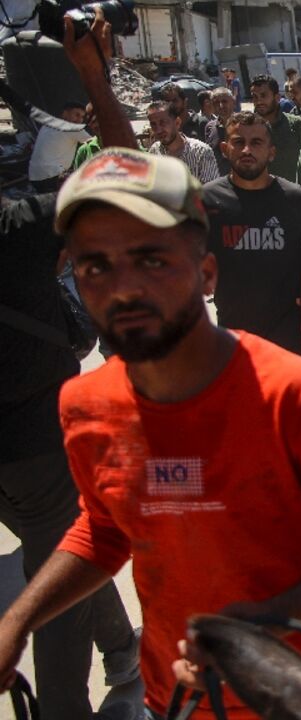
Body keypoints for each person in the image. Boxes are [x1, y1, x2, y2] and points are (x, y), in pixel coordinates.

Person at [0, 146, 301, 719]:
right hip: (175, 696)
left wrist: (267, 619)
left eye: (151, 260)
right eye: (94, 265)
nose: (123, 288)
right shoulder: (84, 404)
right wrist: (18, 620)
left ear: (207, 274)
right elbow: (104, 527)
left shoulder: (295, 396)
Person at [0, 15, 142, 717]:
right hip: (32, 443)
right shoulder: (20, 226)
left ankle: (119, 653)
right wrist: (95, 79)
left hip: (33, 451)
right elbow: (135, 178)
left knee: (59, 543)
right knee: (57, 554)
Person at [203, 110, 301, 355]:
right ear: (224, 148)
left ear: (271, 152)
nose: (246, 151)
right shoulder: (206, 201)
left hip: (290, 339)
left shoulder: (298, 201)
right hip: (233, 340)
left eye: (256, 143)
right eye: (238, 142)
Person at [249, 73, 301, 181]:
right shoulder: (248, 129)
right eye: (255, 97)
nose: (259, 101)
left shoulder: (297, 126)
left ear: (277, 97)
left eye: (264, 95)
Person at [146, 100, 218, 183]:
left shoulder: (201, 152)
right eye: (153, 124)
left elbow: (209, 192)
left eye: (163, 122)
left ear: (177, 123)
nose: (158, 130)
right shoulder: (154, 151)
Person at [28, 101, 91, 190]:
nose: (79, 120)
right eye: (76, 115)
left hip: (34, 177)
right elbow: (95, 144)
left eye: (82, 117)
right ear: (65, 113)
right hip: (51, 177)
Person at [204, 87, 237, 175]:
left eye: (224, 101)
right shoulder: (210, 127)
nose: (221, 106)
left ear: (233, 102)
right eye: (216, 103)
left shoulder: (244, 124)